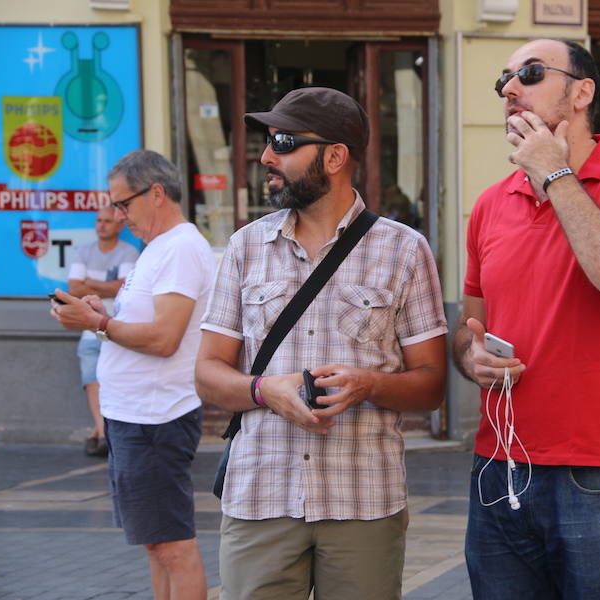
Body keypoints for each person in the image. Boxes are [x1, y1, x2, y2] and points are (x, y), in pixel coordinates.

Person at [194, 87, 447, 600]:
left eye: (283, 142)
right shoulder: (246, 246)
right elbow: (207, 374)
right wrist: (267, 391)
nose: (266, 157)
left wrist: (370, 384)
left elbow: (432, 385)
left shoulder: (403, 250)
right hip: (260, 496)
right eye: (267, 143)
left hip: (364, 502)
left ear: (335, 157)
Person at [451, 39, 600, 600]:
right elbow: (468, 326)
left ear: (582, 92)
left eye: (528, 73)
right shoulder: (490, 204)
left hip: (598, 469)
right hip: (498, 463)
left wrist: (555, 172)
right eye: (502, 79)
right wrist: (469, 357)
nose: (509, 89)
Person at [50, 150, 215, 600]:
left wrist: (97, 324)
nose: (120, 215)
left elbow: (164, 339)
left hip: (156, 418)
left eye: (124, 204)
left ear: (156, 193)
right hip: (136, 417)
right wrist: (105, 314)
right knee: (157, 544)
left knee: (173, 546)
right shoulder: (159, 248)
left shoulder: (180, 247)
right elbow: (144, 326)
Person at [68, 206, 139, 457]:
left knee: (117, 378)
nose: (102, 225)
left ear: (119, 226)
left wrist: (89, 284)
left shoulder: (129, 251)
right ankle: (102, 431)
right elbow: (73, 288)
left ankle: (102, 433)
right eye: (98, 221)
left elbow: (120, 288)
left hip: (117, 326)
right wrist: (104, 286)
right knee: (92, 379)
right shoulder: (84, 251)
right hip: (90, 331)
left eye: (107, 221)